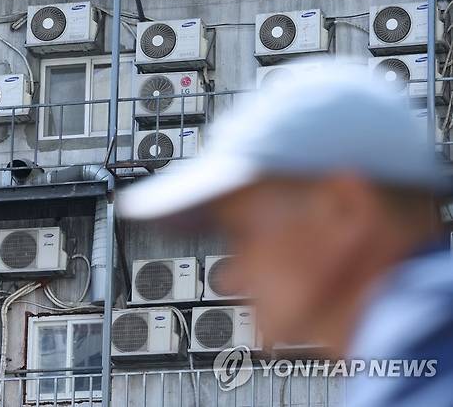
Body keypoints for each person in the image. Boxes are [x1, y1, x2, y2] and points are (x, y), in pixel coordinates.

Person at [117, 62, 453, 406]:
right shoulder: (409, 352)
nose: (234, 278)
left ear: (345, 208)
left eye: (245, 233)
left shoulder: (425, 363)